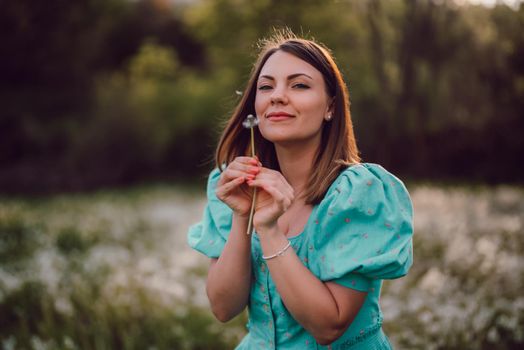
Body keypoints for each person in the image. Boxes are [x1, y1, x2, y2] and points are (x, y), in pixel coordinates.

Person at [187, 30, 413, 350]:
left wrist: (268, 228)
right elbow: (223, 308)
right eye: (266, 87)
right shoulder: (234, 185)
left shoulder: (358, 193)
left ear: (330, 107)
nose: (278, 96)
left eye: (300, 85)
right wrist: (243, 217)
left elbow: (329, 326)